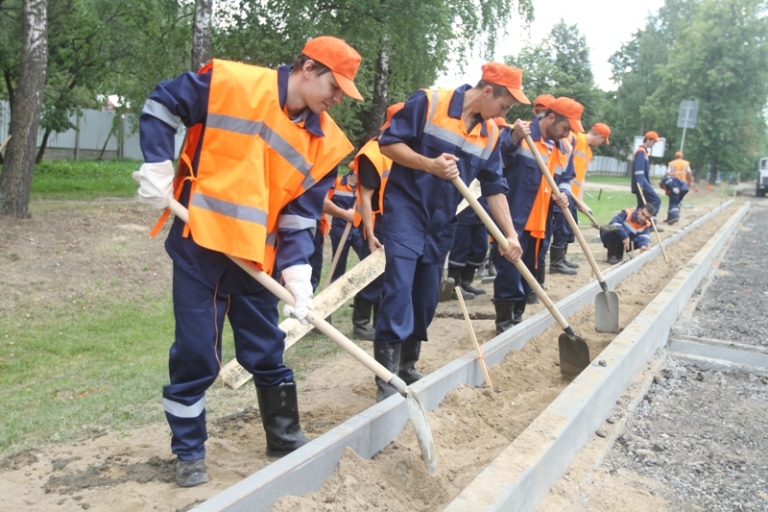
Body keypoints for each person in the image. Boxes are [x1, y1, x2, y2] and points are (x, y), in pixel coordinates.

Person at [132, 36, 363, 487]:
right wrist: (158, 166)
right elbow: (163, 103)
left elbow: (300, 217)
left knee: (267, 352)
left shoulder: (327, 144)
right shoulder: (232, 83)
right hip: (201, 246)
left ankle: (284, 436)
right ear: (308, 68)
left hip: (259, 261)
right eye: (336, 86)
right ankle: (189, 452)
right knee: (196, 355)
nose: (337, 99)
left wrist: (298, 278)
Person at [374, 62, 526, 401]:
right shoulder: (430, 101)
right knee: (399, 288)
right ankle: (386, 375)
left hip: (441, 222)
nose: (504, 113)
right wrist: (429, 164)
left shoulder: (490, 134)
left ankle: (407, 364)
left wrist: (510, 235)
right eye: (504, 105)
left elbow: (495, 187)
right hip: (406, 209)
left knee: (426, 297)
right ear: (488, 91)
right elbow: (388, 144)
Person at [492, 97, 582, 334]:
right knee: (510, 272)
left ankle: (517, 319)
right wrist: (513, 138)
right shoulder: (520, 135)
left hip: (542, 222)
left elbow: (565, 178)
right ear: (550, 118)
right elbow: (496, 161)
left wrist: (563, 192)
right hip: (514, 219)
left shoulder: (565, 147)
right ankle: (504, 324)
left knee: (530, 272)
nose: (566, 134)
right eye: (565, 128)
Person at [347, 102, 405, 340]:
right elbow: (366, 197)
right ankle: (361, 325)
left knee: (389, 275)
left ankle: (379, 322)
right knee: (373, 274)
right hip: (376, 221)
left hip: (394, 219)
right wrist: (370, 234)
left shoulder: (399, 147)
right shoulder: (373, 153)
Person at [549, 122, 611, 274]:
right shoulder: (576, 138)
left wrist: (581, 201)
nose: (601, 144)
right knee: (562, 226)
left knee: (571, 227)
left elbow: (581, 178)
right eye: (603, 140)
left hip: (573, 195)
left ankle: (562, 258)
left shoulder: (588, 152)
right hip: (563, 191)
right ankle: (556, 263)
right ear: (600, 136)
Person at [324, 170, 363, 283]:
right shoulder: (337, 182)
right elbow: (326, 205)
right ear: (355, 170)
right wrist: (346, 214)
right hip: (339, 230)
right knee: (338, 264)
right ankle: (333, 291)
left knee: (367, 258)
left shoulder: (365, 186)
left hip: (358, 230)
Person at [632, 130, 663, 231]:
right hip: (641, 183)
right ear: (648, 140)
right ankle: (650, 224)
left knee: (641, 206)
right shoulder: (641, 151)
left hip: (642, 182)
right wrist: (641, 183)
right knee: (656, 200)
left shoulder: (644, 152)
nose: (654, 145)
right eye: (653, 142)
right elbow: (639, 170)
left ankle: (635, 223)